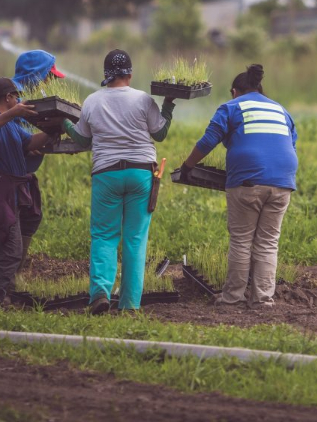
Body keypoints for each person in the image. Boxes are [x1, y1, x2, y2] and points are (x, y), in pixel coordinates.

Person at [63, 49, 174, 315]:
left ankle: (100, 292)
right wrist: (168, 105)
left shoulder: (92, 101)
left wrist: (64, 124)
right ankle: (130, 306)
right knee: (135, 239)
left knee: (104, 235)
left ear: (105, 75)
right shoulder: (143, 99)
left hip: (106, 174)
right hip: (140, 173)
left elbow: (83, 140)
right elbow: (160, 134)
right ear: (130, 73)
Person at [180, 64, 297, 308]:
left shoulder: (231, 107)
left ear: (234, 92)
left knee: (242, 239)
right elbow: (289, 143)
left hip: (248, 181)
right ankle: (263, 299)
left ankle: (233, 297)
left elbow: (209, 140)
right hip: (283, 181)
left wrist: (187, 167)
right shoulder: (281, 110)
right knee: (268, 241)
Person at [0, 77, 52, 309]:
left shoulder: (13, 126)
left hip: (6, 193)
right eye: (16, 97)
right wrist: (13, 113)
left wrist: (52, 128)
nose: (18, 100)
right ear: (8, 98)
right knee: (10, 250)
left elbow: (32, 141)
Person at [11, 49, 67, 271]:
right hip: (9, 177)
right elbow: (4, 133)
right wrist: (29, 143)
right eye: (48, 75)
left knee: (31, 218)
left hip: (26, 175)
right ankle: (3, 282)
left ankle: (16, 272)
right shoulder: (13, 99)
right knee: (10, 228)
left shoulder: (39, 100)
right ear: (36, 74)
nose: (51, 81)